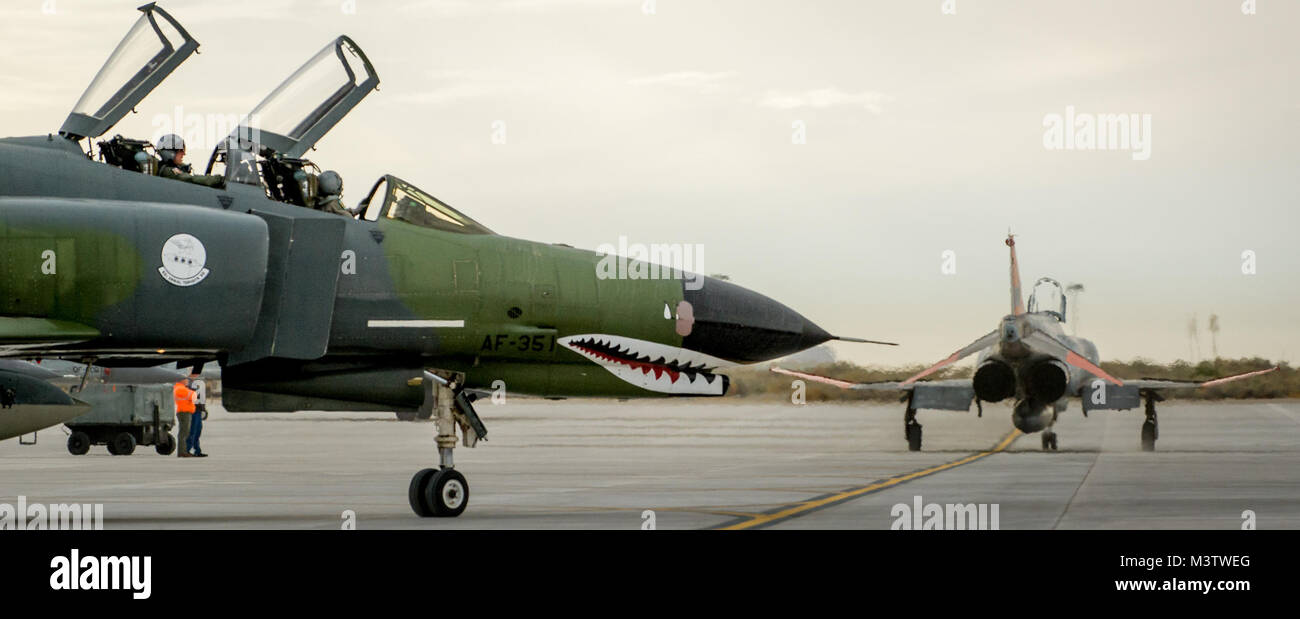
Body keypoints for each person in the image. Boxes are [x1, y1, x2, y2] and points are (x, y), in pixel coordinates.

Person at [155, 134, 224, 188]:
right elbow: (191, 179)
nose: (184, 154)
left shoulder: (170, 168)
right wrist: (216, 179)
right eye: (181, 151)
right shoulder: (168, 171)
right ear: (170, 152)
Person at [173, 379, 196, 458]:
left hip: (184, 412)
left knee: (184, 432)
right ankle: (182, 452)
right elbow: (194, 396)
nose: (187, 381)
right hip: (184, 412)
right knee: (184, 433)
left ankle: (183, 451)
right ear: (181, 380)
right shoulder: (180, 389)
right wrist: (194, 391)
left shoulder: (179, 388)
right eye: (185, 380)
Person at [187, 374, 208, 457]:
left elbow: (201, 399)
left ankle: (197, 450)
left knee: (198, 431)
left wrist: (203, 409)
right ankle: (187, 450)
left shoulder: (199, 385)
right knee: (192, 431)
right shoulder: (189, 386)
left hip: (198, 411)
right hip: (193, 411)